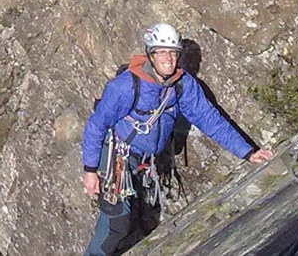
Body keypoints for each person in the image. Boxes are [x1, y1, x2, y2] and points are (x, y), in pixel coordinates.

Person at [80, 23, 273, 255]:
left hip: (146, 160)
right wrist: (90, 170)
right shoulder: (125, 87)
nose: (168, 58)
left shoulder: (182, 84)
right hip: (117, 156)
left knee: (141, 222)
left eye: (173, 52)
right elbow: (96, 125)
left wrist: (248, 152)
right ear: (151, 55)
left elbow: (209, 119)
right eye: (161, 52)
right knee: (116, 223)